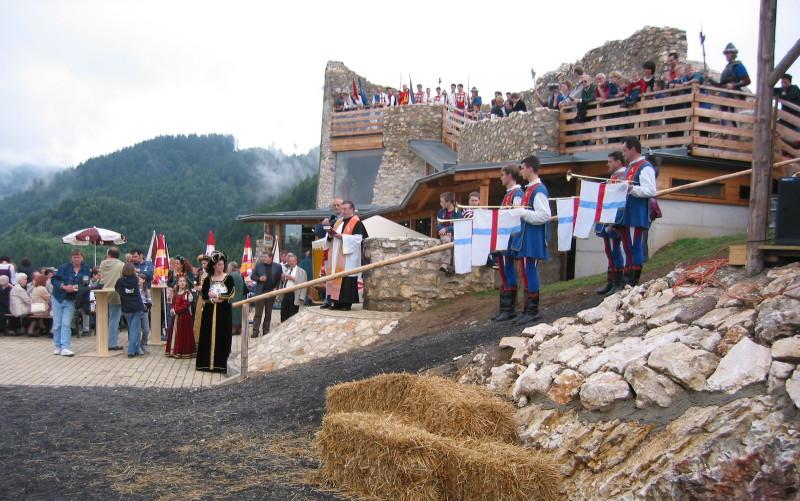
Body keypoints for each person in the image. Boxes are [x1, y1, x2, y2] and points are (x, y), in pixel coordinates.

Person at [508, 156, 551, 325]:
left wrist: (522, 212)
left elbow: (544, 215)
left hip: (533, 238)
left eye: (523, 168)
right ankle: (527, 309)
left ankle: (533, 310)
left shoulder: (538, 190)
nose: (521, 171)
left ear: (530, 169)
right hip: (526, 238)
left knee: (530, 272)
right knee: (525, 273)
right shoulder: (529, 190)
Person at [620, 137, 657, 286]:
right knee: (627, 246)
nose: (623, 154)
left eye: (625, 150)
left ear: (633, 149)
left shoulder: (645, 166)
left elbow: (651, 190)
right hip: (626, 213)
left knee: (636, 245)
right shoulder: (629, 167)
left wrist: (632, 189)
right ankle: (627, 276)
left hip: (637, 213)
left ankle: (634, 278)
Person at [492, 164, 524, 322]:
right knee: (503, 271)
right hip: (503, 238)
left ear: (510, 175)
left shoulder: (517, 194)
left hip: (509, 239)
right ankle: (504, 307)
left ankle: (509, 308)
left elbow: (517, 217)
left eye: (503, 174)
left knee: (508, 270)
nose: (501, 178)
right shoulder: (508, 195)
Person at [325, 200, 369, 311]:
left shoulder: (357, 222)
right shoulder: (338, 222)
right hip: (336, 257)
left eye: (345, 209)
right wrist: (330, 234)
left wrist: (343, 237)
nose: (342, 211)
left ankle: (346, 304)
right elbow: (330, 238)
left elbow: (359, 239)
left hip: (348, 258)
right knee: (336, 278)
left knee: (346, 279)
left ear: (352, 209)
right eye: (342, 208)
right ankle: (336, 303)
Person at [196, 251, 235, 373]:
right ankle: (206, 364)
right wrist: (211, 299)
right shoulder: (208, 279)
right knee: (207, 334)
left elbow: (231, 293)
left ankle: (220, 364)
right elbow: (204, 294)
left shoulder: (228, 279)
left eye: (222, 264)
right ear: (213, 266)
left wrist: (218, 295)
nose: (221, 267)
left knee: (223, 335)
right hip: (209, 310)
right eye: (218, 264)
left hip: (223, 311)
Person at [595, 152, 628, 296]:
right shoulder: (613, 177)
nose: (607, 164)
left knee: (615, 249)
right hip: (607, 216)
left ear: (619, 162)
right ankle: (611, 280)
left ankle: (619, 282)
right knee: (609, 250)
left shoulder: (623, 177)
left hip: (616, 217)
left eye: (610, 162)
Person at [50, 250, 91, 356]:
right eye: (74, 257)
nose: (76, 259)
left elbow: (85, 285)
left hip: (71, 299)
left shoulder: (86, 269)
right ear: (71, 258)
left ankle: (65, 347)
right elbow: (54, 280)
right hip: (58, 297)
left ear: (82, 258)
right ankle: (57, 346)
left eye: (78, 257)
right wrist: (63, 286)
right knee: (57, 324)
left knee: (66, 323)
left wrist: (74, 288)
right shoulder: (63, 267)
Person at [249, 252, 283, 335]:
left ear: (270, 258)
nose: (263, 258)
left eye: (265, 257)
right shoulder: (259, 265)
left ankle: (266, 330)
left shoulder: (278, 266)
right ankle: (255, 331)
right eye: (263, 257)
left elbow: (280, 279)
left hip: (271, 292)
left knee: (268, 313)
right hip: (260, 292)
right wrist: (259, 278)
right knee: (258, 313)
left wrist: (276, 288)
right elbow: (252, 276)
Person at [116, 263, 144, 357]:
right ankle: (131, 351)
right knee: (134, 329)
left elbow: (117, 289)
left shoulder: (120, 281)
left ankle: (135, 349)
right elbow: (141, 282)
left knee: (132, 329)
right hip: (137, 307)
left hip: (126, 308)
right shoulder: (136, 280)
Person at [99, 246, 124, 350]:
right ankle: (112, 343)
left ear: (109, 254)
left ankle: (102, 341)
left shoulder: (102, 264)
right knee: (114, 319)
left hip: (102, 293)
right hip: (116, 293)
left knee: (102, 318)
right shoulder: (121, 265)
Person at [165, 275, 196, 358]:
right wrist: (172, 309)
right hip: (176, 318)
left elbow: (186, 305)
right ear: (178, 283)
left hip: (184, 318)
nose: (182, 283)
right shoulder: (175, 292)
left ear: (186, 283)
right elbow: (172, 302)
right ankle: (173, 350)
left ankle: (183, 352)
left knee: (184, 334)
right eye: (180, 281)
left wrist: (176, 310)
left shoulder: (188, 293)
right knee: (174, 333)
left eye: (183, 281)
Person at [436, 192, 461, 274]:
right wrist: (443, 230)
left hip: (455, 235)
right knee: (446, 238)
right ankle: (446, 265)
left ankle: (445, 265)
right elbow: (438, 225)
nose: (440, 203)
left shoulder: (457, 211)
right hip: (444, 235)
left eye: (442, 201)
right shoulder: (440, 211)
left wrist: (447, 230)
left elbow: (460, 226)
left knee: (447, 238)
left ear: (449, 201)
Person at [280, 253, 307, 322]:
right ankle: (283, 329)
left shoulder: (301, 271)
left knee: (292, 314)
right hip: (285, 294)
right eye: (290, 261)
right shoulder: (287, 270)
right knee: (283, 313)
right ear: (288, 262)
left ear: (296, 261)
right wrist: (283, 278)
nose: (291, 263)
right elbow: (285, 282)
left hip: (294, 294)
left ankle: (290, 330)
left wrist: (293, 278)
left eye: (293, 261)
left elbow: (304, 284)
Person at [192, 254, 210, 344]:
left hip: (209, 299)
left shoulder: (212, 274)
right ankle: (197, 341)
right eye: (202, 264)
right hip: (201, 297)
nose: (203, 266)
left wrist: (202, 287)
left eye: (205, 263)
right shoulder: (200, 273)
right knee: (198, 318)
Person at [227, 261, 246, 335]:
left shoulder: (230, 276)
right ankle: (238, 329)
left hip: (233, 298)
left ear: (231, 267)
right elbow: (245, 288)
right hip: (240, 298)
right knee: (238, 315)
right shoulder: (240, 275)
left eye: (228, 267)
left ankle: (234, 330)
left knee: (234, 315)